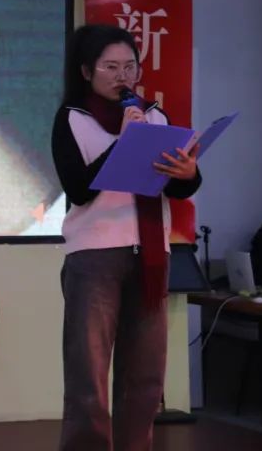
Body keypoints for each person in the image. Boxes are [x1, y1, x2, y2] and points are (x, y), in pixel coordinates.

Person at [52, 24, 202, 451]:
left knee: (145, 375)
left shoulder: (154, 116)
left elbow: (178, 187)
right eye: (111, 67)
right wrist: (124, 140)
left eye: (129, 66)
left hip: (151, 256)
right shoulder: (73, 119)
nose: (123, 76)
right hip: (95, 257)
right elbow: (78, 189)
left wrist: (189, 173)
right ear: (86, 71)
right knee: (89, 374)